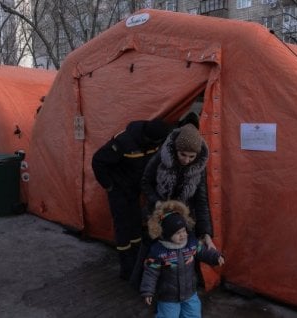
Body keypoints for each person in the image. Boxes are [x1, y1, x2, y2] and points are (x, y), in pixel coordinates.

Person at [92, 119, 170, 280]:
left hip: (135, 191)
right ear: (147, 138)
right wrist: (109, 186)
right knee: (123, 228)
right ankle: (126, 269)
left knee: (135, 224)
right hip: (119, 191)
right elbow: (98, 161)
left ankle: (137, 262)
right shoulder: (123, 142)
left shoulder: (155, 142)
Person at [140, 200, 224, 317]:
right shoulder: (158, 252)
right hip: (168, 296)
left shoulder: (191, 243)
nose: (183, 235)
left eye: (184, 230)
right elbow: (151, 272)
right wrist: (148, 291)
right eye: (178, 233)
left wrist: (215, 257)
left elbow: (203, 252)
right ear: (167, 234)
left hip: (190, 292)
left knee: (193, 314)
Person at [141, 123, 215, 249]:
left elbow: (201, 201)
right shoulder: (161, 157)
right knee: (153, 254)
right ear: (176, 150)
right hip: (158, 215)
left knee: (182, 259)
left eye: (192, 156)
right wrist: (157, 202)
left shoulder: (199, 168)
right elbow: (145, 182)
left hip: (182, 220)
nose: (187, 160)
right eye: (183, 154)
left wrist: (205, 233)